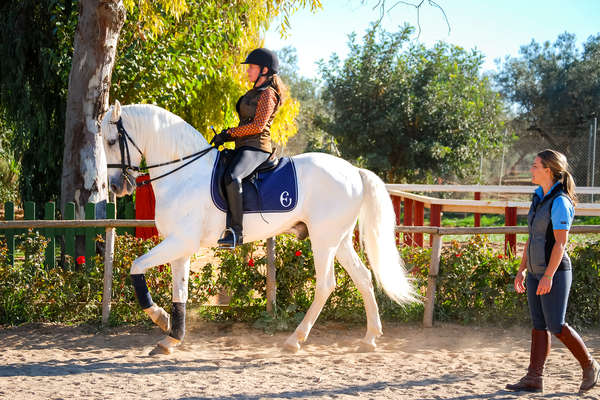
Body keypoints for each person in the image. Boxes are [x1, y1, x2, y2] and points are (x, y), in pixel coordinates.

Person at [506, 149, 599, 393]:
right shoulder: (538, 196)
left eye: (535, 166)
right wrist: (522, 270)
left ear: (548, 170)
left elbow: (560, 243)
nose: (531, 169)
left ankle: (590, 366)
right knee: (539, 324)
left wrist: (548, 275)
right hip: (535, 272)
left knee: (556, 325)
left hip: (555, 273)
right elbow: (532, 238)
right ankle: (534, 378)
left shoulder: (560, 201)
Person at [210, 48, 284, 248]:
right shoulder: (253, 92)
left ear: (265, 70)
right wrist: (227, 136)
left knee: (233, 176)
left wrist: (228, 133)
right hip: (243, 146)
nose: (248, 70)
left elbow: (258, 126)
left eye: (252, 67)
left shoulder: (269, 94)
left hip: (258, 148)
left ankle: (236, 232)